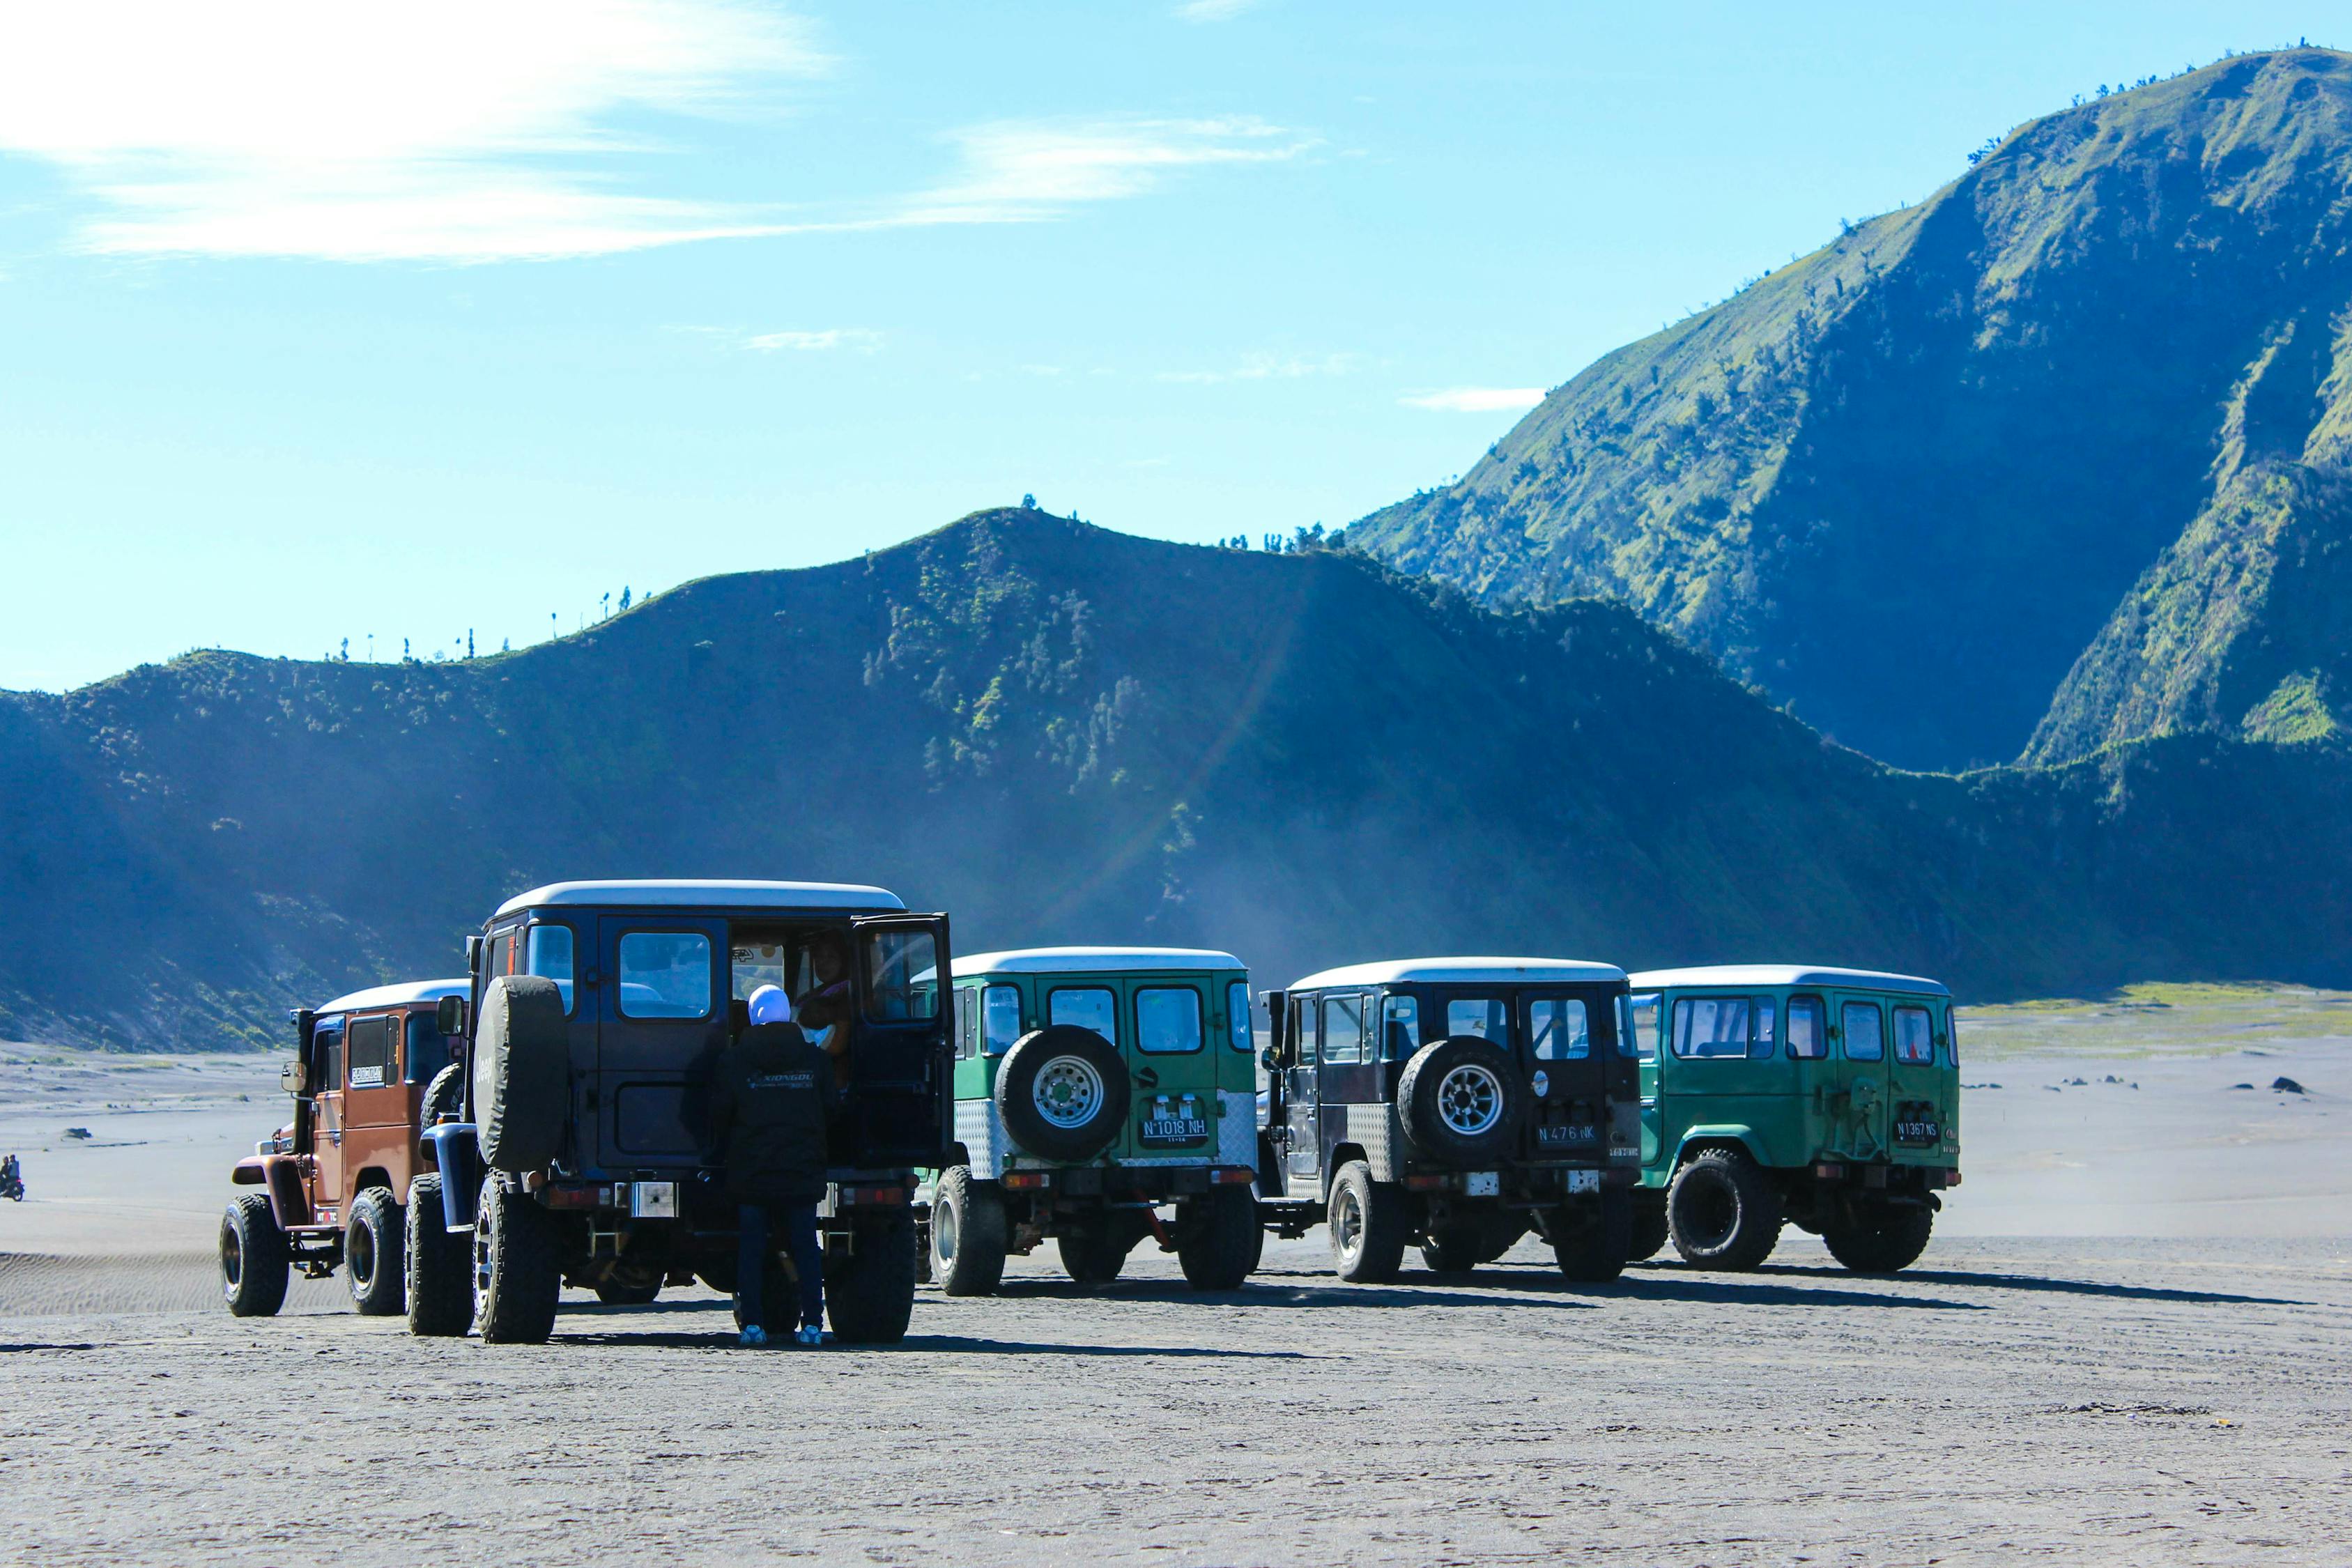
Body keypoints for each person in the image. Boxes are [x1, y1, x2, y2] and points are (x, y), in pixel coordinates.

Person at [708, 985, 836, 1346]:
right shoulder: (816, 1060)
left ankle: (753, 1325)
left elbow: (719, 1115)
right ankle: (812, 1325)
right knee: (805, 1246)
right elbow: (832, 1110)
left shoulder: (733, 1062)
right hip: (801, 1168)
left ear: (752, 1016)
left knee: (750, 1248)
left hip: (752, 1172)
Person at [794, 935, 854, 1087]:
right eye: (819, 957)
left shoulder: (846, 995)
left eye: (831, 957)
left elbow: (837, 1046)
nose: (823, 963)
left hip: (830, 1075)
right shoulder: (811, 995)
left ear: (844, 961)